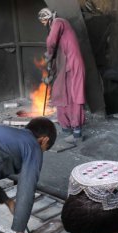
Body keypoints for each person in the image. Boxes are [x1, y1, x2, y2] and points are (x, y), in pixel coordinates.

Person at [39, 8, 86, 143]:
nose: (44, 25)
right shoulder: (60, 33)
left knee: (74, 98)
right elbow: (57, 57)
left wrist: (48, 54)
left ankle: (77, 134)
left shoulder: (59, 22)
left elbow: (51, 41)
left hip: (74, 66)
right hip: (65, 68)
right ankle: (66, 128)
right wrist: (51, 75)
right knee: (61, 94)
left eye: (44, 21)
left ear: (47, 18)